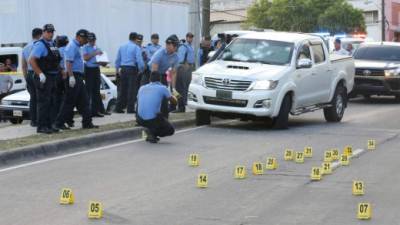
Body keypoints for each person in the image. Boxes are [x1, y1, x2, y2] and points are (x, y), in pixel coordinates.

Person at [54, 29, 98, 130]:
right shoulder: (72, 46)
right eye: (85, 39)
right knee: (69, 102)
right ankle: (58, 123)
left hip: (77, 76)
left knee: (84, 100)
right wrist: (71, 76)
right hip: (73, 76)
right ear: (79, 37)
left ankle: (87, 122)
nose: (86, 41)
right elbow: (68, 62)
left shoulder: (77, 46)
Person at [29, 24, 62, 134]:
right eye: (48, 31)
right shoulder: (40, 45)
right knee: (44, 102)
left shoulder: (52, 44)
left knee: (52, 102)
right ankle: (41, 126)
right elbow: (32, 60)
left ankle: (49, 125)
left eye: (52, 31)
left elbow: (56, 60)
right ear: (43, 32)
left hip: (53, 76)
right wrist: (40, 74)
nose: (51, 33)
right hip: (44, 77)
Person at [137, 71, 177, 143]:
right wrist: (175, 100)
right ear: (160, 79)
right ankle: (151, 133)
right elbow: (174, 101)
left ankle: (150, 133)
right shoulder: (162, 88)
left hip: (140, 119)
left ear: (150, 80)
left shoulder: (141, 88)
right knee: (171, 130)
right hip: (152, 119)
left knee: (156, 114)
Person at [148, 34, 180, 118]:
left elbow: (173, 73)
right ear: (168, 45)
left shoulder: (176, 56)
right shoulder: (160, 53)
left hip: (162, 74)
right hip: (150, 73)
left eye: (176, 46)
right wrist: (154, 85)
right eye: (175, 46)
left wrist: (173, 88)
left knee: (165, 94)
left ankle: (164, 115)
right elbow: (154, 70)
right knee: (152, 94)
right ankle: (150, 115)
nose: (176, 48)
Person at [114, 32, 145, 113]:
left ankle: (118, 107)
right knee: (132, 90)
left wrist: (117, 70)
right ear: (135, 39)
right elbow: (139, 60)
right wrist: (141, 69)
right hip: (132, 69)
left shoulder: (122, 46)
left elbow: (117, 59)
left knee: (122, 89)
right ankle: (130, 108)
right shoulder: (136, 47)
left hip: (123, 69)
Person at [82, 32, 107, 118]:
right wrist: (94, 53)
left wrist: (104, 62)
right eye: (91, 40)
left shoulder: (97, 47)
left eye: (93, 40)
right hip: (89, 70)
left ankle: (96, 111)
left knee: (96, 91)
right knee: (89, 91)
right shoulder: (85, 47)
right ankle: (88, 111)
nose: (92, 42)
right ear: (88, 40)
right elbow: (85, 58)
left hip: (96, 69)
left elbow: (101, 57)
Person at [22, 27, 42, 127]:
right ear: (39, 35)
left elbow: (23, 65)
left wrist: (26, 78)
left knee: (33, 98)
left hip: (29, 74)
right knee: (40, 98)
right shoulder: (39, 45)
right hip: (38, 73)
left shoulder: (25, 47)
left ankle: (33, 121)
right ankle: (40, 120)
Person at [175, 32, 195, 113]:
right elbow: (180, 59)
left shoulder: (190, 47)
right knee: (181, 87)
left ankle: (184, 103)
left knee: (187, 86)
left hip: (189, 67)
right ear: (186, 38)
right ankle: (181, 105)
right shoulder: (183, 47)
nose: (190, 39)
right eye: (189, 37)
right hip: (183, 68)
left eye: (191, 37)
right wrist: (184, 65)